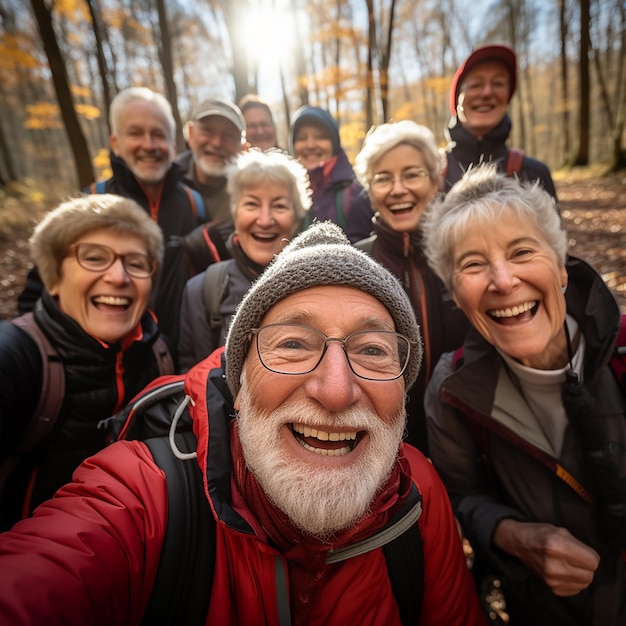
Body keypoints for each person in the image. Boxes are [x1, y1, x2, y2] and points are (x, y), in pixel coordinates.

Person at [0, 221, 487, 626]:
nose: (336, 390)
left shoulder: (417, 488)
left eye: (372, 350)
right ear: (241, 378)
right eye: (293, 344)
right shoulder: (145, 492)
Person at [423, 164, 625, 625]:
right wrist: (513, 536)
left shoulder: (622, 353)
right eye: (473, 264)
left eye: (521, 251)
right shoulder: (452, 389)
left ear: (561, 268)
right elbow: (461, 497)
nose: (502, 280)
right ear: (455, 294)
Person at [0, 194, 173, 531]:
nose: (119, 277)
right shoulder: (15, 358)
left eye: (136, 263)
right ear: (53, 278)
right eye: (94, 258)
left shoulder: (158, 354)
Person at [17, 87, 201, 360]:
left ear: (173, 147)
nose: (148, 145)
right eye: (135, 133)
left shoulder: (194, 203)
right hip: (100, 366)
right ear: (115, 143)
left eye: (158, 135)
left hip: (175, 361)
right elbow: (39, 292)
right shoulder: (91, 201)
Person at [353, 120, 470, 453]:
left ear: (435, 182)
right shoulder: (355, 265)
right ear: (369, 190)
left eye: (412, 174)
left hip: (467, 438)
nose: (398, 188)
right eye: (383, 178)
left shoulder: (462, 255)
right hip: (382, 447)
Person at [178, 149, 310, 373]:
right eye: (251, 204)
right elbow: (189, 381)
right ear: (235, 213)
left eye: (279, 206)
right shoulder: (201, 290)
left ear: (296, 219)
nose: (265, 220)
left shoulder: (318, 288)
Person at [444, 44, 557, 199]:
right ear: (457, 100)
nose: (487, 92)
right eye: (476, 84)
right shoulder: (430, 174)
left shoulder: (533, 174)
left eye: (498, 83)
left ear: (507, 99)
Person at [289, 105, 374, 242]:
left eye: (320, 137)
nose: (310, 145)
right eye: (301, 138)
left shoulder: (356, 195)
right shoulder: (285, 194)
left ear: (334, 142)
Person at [177, 98, 247, 223]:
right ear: (191, 134)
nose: (217, 143)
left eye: (228, 136)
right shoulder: (167, 182)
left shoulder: (250, 190)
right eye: (207, 132)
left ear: (241, 147)